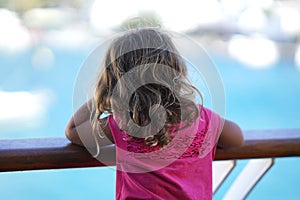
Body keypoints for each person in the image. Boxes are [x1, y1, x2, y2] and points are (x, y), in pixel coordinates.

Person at [65, 28, 244, 200]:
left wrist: (105, 92)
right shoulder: (202, 119)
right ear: (175, 68)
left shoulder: (126, 124)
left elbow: (74, 131)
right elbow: (237, 139)